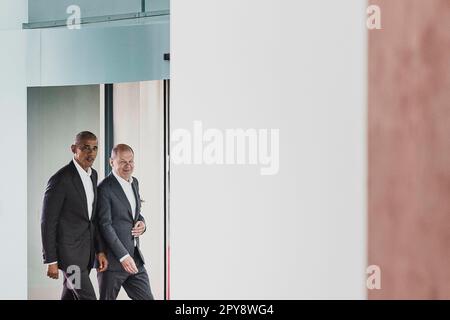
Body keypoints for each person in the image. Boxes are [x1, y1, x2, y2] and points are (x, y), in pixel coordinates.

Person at [41, 131, 108, 300]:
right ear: (74, 149)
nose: (91, 153)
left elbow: (92, 219)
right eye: (85, 148)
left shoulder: (93, 175)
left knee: (70, 295)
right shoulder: (60, 179)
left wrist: (100, 250)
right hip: (70, 259)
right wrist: (51, 260)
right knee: (88, 297)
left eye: (95, 148)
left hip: (86, 255)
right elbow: (48, 222)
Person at [97, 144, 153, 300]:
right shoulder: (104, 188)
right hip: (113, 262)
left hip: (135, 258)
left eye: (131, 161)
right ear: (111, 162)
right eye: (123, 162)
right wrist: (123, 256)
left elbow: (135, 213)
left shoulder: (134, 182)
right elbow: (104, 225)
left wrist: (142, 223)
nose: (128, 166)